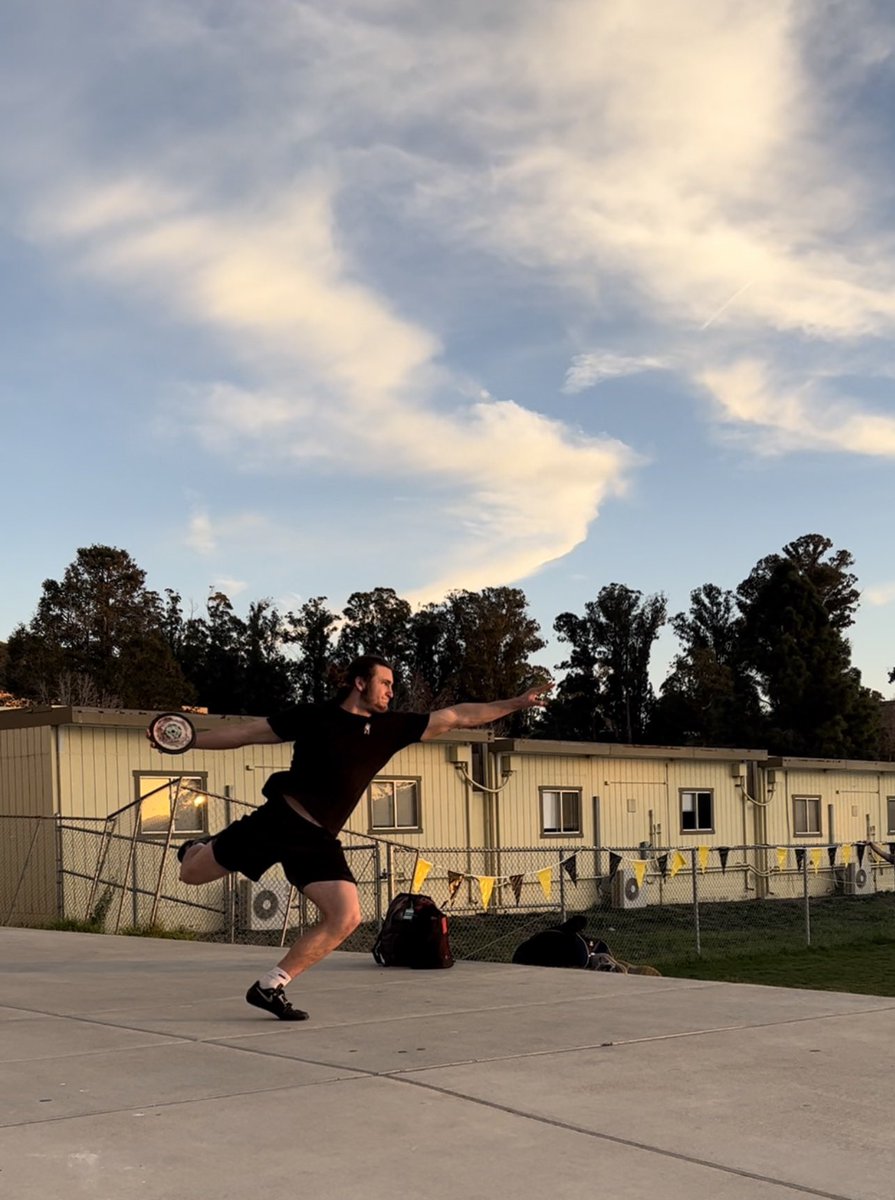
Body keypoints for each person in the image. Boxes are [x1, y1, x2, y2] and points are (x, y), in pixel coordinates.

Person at [154, 656, 551, 1021]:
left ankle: (270, 986)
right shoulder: (313, 716)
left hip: (318, 839)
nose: (391, 692)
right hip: (278, 820)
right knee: (191, 873)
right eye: (385, 683)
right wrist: (187, 740)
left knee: (347, 916)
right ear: (359, 683)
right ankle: (196, 848)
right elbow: (246, 733)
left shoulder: (390, 728)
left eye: (393, 686)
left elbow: (458, 715)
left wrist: (517, 701)